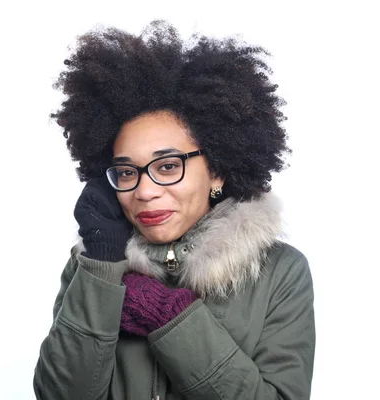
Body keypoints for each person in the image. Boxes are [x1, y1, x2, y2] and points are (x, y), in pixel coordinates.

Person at [33, 20, 315, 400]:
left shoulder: (280, 271)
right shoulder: (91, 268)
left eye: (168, 167)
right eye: (127, 171)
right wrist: (101, 266)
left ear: (216, 170)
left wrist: (170, 317)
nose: (145, 191)